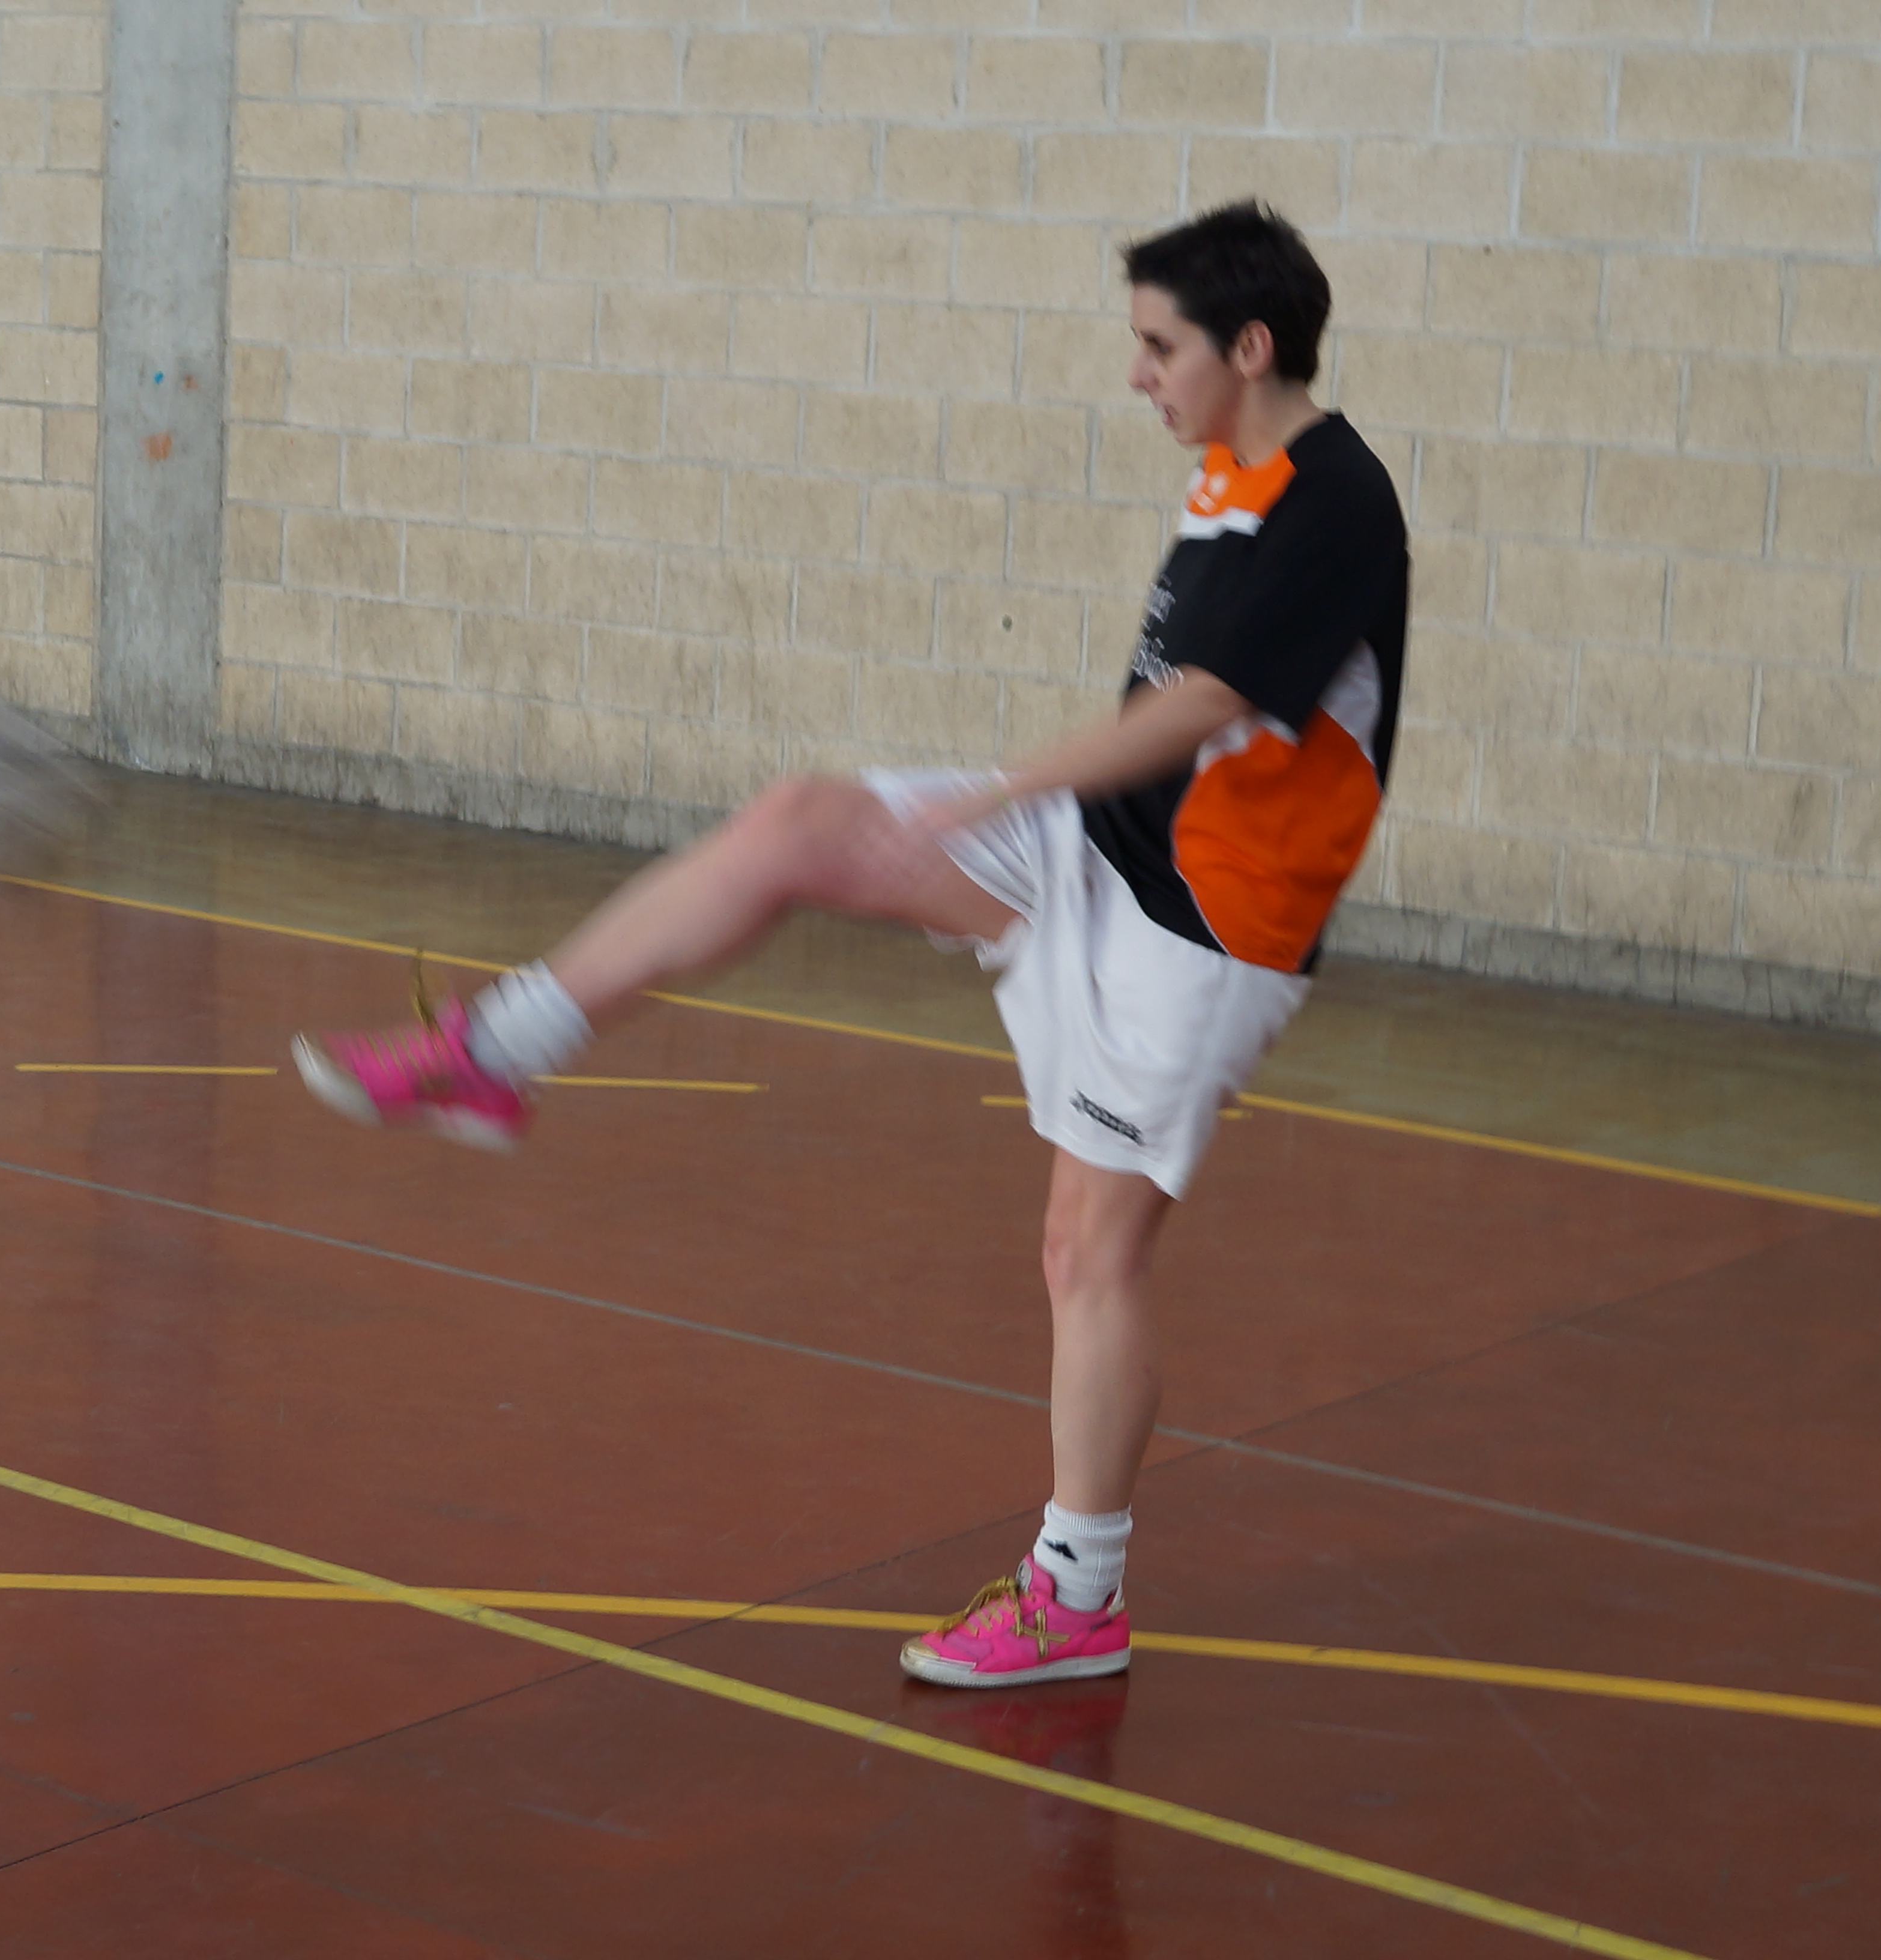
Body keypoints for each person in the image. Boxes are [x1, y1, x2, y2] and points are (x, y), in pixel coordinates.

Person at [295, 201, 1410, 1688]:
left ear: (1249, 346)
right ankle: (497, 1051)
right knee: (804, 820)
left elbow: (1203, 705)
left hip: (1204, 927)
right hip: (1100, 850)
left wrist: (998, 789)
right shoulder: (1228, 469)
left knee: (1087, 1251)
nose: (1137, 375)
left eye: (1158, 348)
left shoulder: (1332, 499)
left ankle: (1077, 1596)